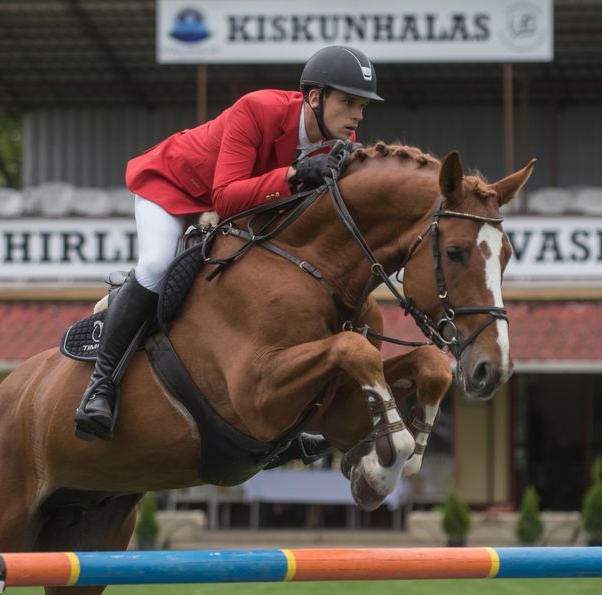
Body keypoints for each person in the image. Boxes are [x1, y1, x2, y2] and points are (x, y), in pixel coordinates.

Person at [74, 45, 384, 445]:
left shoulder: (338, 140)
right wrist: (293, 174)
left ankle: (295, 421)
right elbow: (224, 198)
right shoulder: (258, 110)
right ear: (313, 97)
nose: (357, 115)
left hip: (239, 207)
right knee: (156, 265)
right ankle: (101, 387)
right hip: (173, 186)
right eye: (348, 102)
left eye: (362, 105)